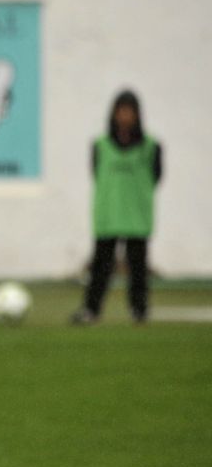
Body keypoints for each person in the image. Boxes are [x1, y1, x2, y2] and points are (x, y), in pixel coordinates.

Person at [72, 89, 162, 325]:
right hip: (108, 215)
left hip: (136, 216)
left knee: (138, 268)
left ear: (137, 115)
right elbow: (95, 173)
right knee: (101, 265)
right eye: (120, 111)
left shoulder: (150, 146)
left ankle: (139, 310)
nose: (124, 116)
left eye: (129, 112)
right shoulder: (101, 145)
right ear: (113, 114)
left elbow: (157, 177)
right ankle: (91, 309)